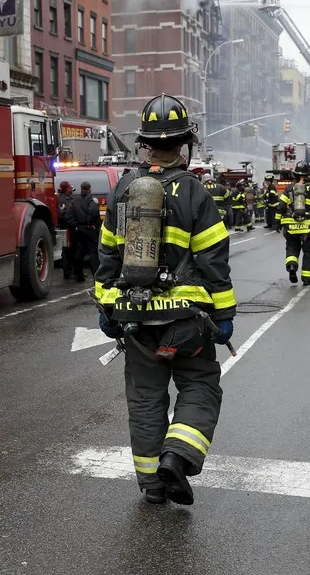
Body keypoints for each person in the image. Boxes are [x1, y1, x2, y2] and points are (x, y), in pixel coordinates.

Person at [96, 94, 235, 507]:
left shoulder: (124, 189)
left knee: (144, 400)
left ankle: (151, 486)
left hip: (135, 318)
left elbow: (107, 255)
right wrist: (224, 313)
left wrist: (107, 307)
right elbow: (213, 259)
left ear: (144, 143)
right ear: (184, 143)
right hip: (186, 320)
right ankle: (176, 457)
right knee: (200, 384)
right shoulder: (194, 192)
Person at [276, 161, 310, 285]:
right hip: (308, 228)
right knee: (309, 252)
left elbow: (281, 206)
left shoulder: (289, 188)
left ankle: (292, 266)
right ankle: (307, 279)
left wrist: (277, 221)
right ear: (308, 174)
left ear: (295, 174)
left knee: (292, 248)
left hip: (291, 226)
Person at [70, 180, 101, 281]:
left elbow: (68, 214)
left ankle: (78, 275)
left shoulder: (74, 201)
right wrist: (92, 224)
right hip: (89, 229)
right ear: (89, 190)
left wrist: (75, 224)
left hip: (78, 230)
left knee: (79, 252)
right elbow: (94, 213)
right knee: (93, 253)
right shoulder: (92, 201)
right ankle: (96, 276)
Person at [57, 181, 76, 279]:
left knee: (72, 249)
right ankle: (67, 272)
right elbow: (62, 214)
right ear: (66, 189)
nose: (71, 189)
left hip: (71, 228)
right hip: (66, 228)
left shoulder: (70, 198)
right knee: (67, 250)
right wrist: (72, 222)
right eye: (70, 187)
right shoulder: (62, 200)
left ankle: (72, 270)